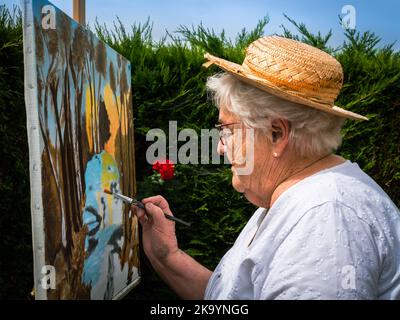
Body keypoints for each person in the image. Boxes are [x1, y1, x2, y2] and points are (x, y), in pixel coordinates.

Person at [131, 36, 400, 299]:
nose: (220, 148)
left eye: (227, 129)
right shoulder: (299, 196)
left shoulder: (325, 219)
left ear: (276, 134)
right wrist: (167, 257)